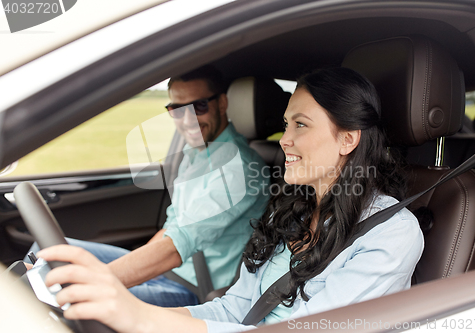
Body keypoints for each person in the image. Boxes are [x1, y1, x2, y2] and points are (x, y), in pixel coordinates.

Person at [38, 67, 424, 333]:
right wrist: (150, 320)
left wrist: (138, 317)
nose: (284, 139)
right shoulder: (293, 210)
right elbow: (233, 308)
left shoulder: (392, 234)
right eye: (287, 124)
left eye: (301, 125)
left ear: (347, 138)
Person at [26, 65, 271, 308]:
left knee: (62, 300)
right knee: (47, 253)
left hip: (192, 288)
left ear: (222, 103)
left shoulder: (239, 169)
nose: (188, 121)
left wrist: (94, 282)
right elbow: (172, 225)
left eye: (199, 106)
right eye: (177, 109)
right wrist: (137, 266)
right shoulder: (195, 151)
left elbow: (175, 246)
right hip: (165, 269)